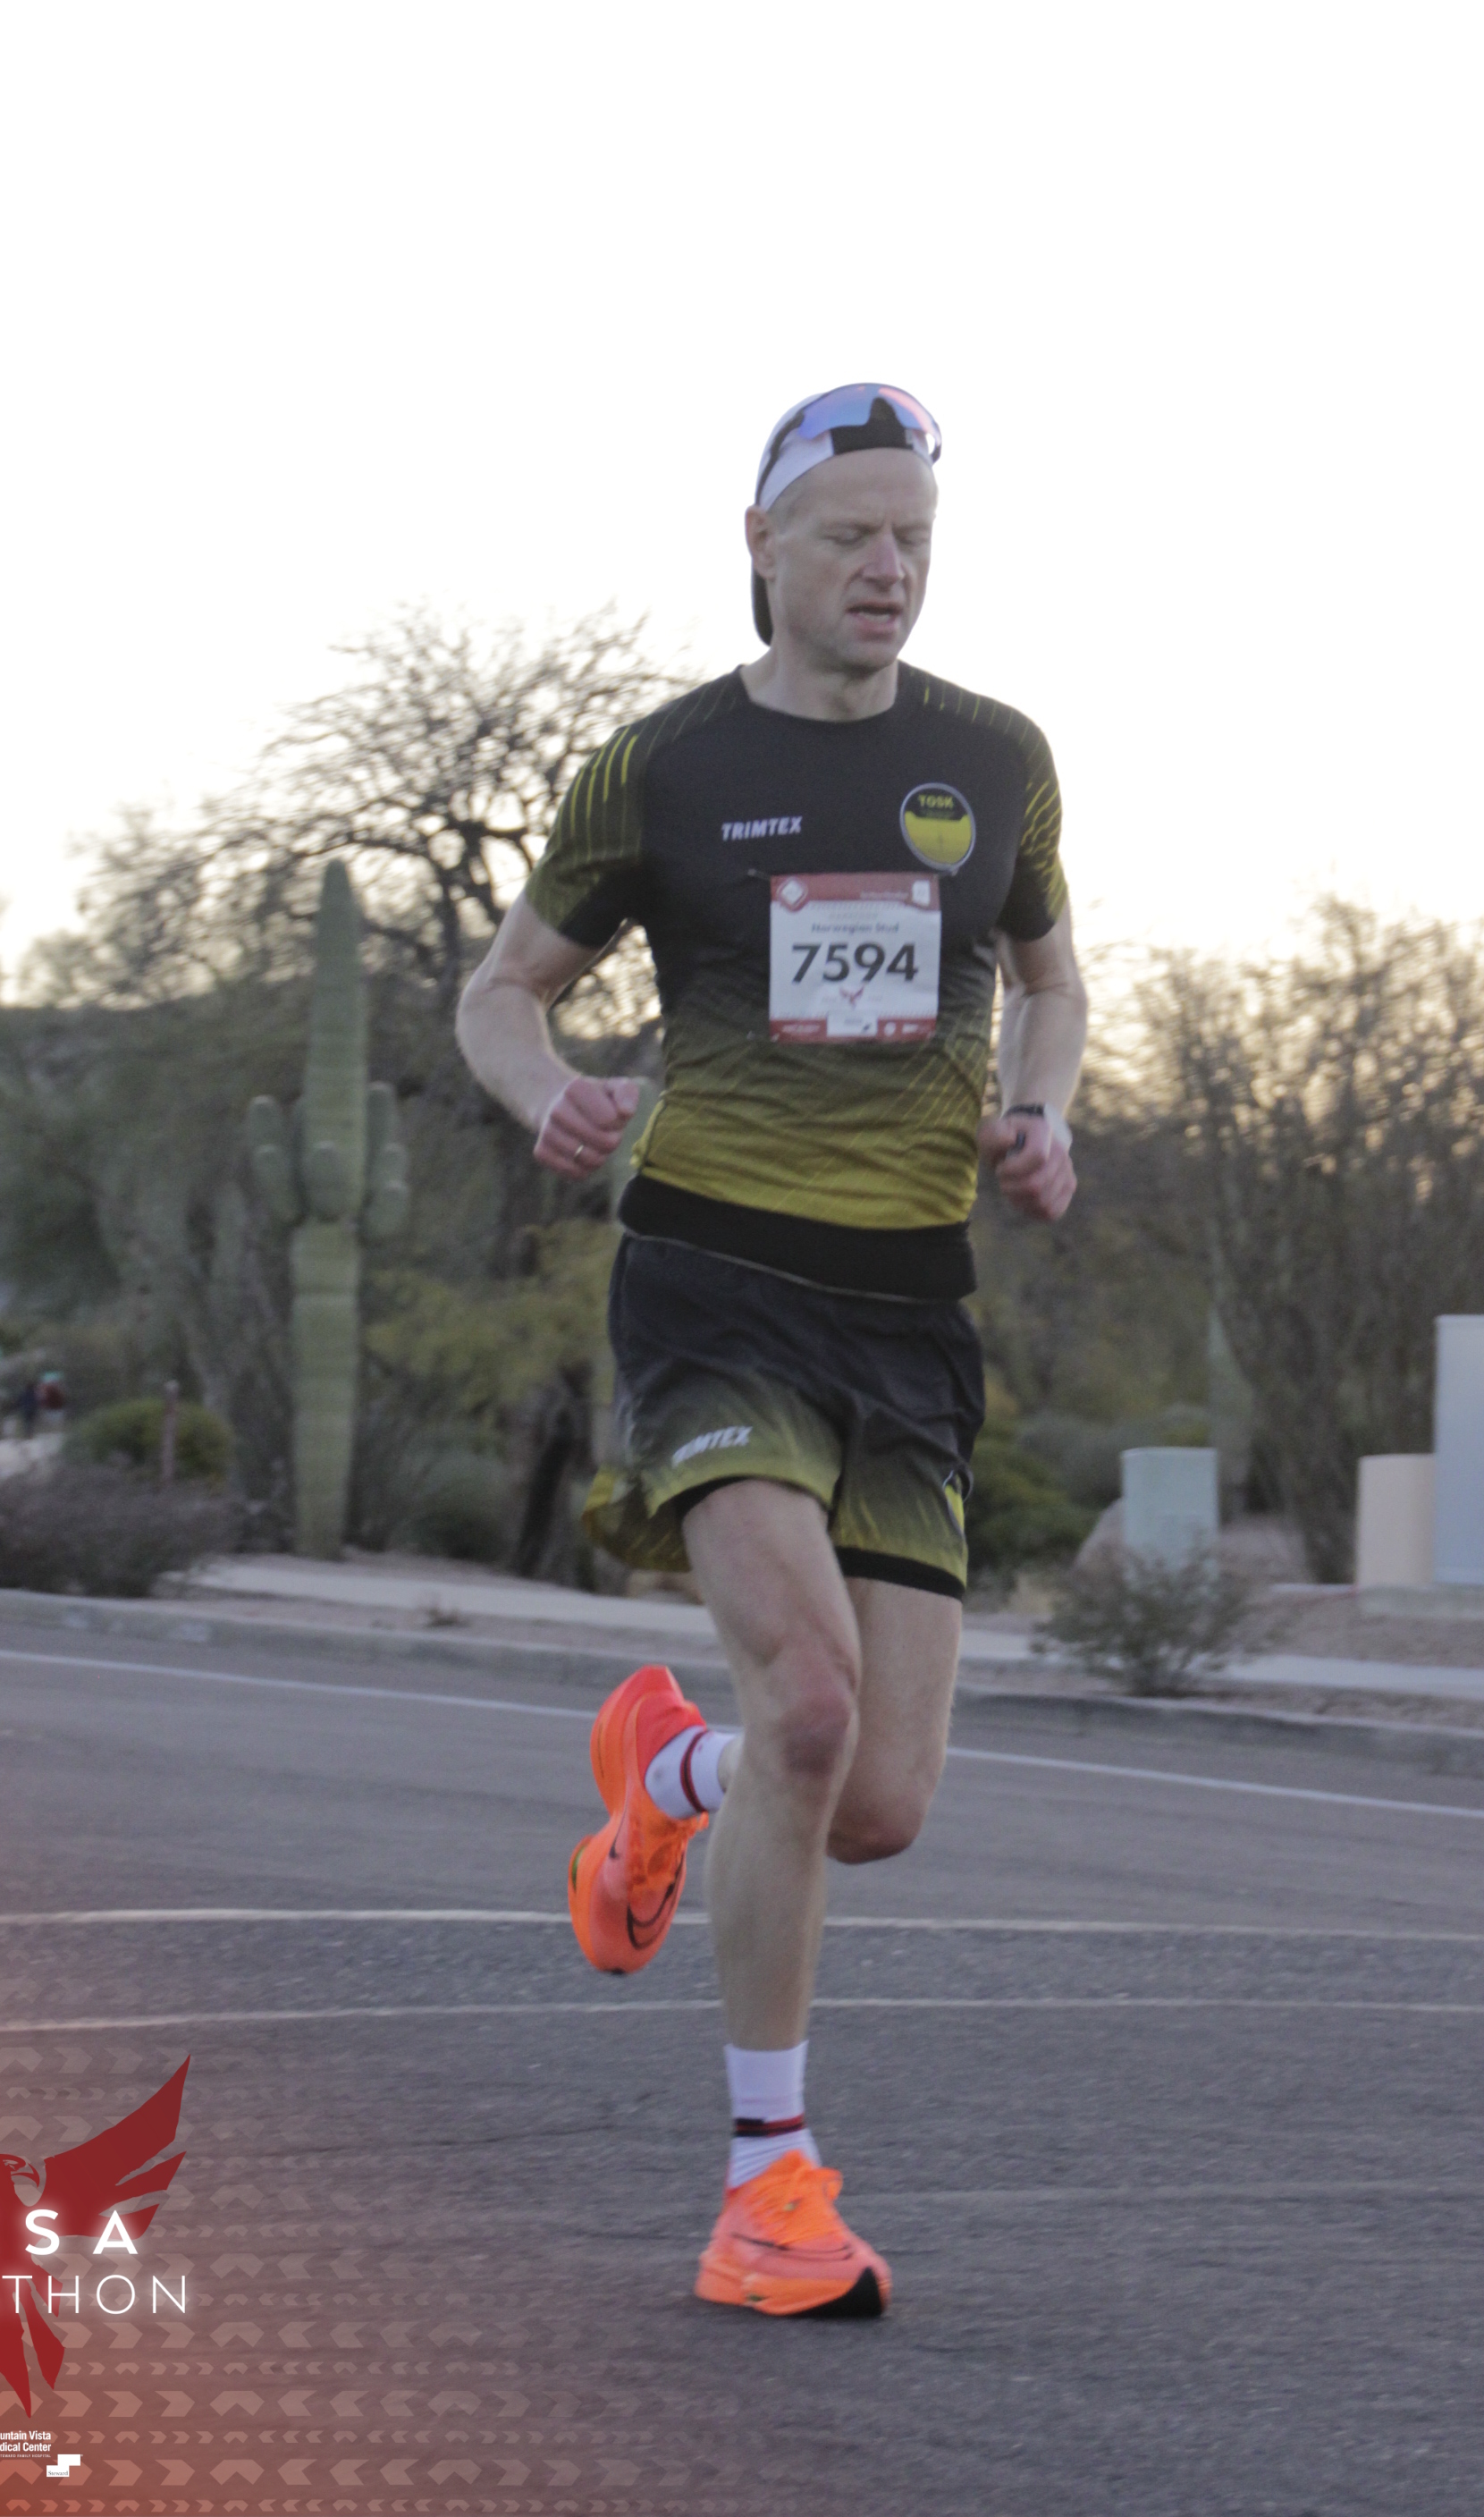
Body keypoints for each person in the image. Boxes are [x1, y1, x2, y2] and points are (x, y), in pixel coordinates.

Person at [455, 384, 1084, 2318]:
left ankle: (670, 1777)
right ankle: (764, 2196)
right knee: (810, 1707)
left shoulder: (996, 760)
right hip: (716, 1281)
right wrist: (548, 1092)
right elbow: (502, 993)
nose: (888, 570)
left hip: (912, 1313)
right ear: (763, 546)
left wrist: (1044, 1113)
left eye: (914, 540)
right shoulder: (662, 768)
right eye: (851, 536)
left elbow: (1051, 981)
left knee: (873, 1802)